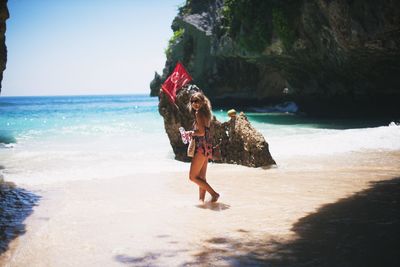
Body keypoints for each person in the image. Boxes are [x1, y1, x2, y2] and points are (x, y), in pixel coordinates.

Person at [186, 92, 220, 203]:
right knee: (201, 177)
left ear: (202, 101)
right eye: (192, 101)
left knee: (192, 177)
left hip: (201, 147)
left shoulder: (199, 113)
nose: (194, 103)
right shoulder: (206, 113)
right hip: (207, 147)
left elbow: (200, 132)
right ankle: (201, 201)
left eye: (196, 101)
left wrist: (190, 132)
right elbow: (205, 131)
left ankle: (214, 194)